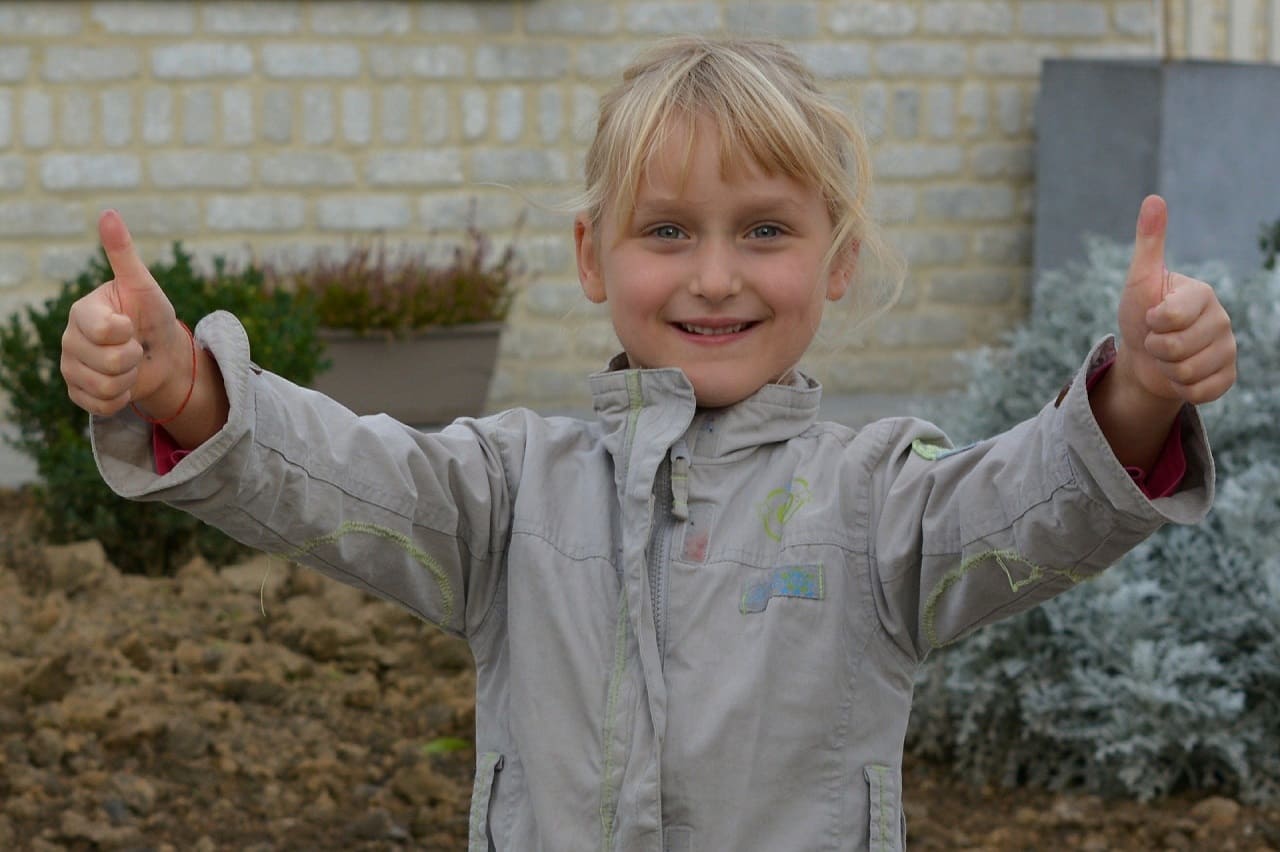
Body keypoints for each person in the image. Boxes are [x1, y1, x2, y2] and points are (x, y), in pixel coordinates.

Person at [61, 37, 1235, 852]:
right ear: (591, 257)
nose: (713, 274)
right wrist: (190, 391)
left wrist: (1135, 390)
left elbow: (1032, 507)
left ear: (835, 258)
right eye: (665, 229)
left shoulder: (878, 500)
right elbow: (331, 478)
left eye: (764, 230)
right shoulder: (508, 490)